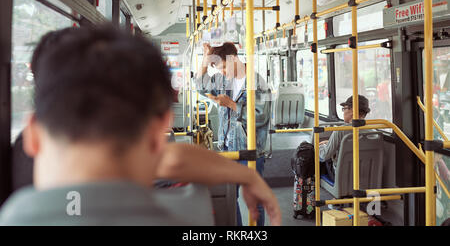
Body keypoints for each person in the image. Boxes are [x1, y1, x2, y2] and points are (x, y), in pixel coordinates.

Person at [0, 26, 281, 226]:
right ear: (158, 134)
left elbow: (173, 160)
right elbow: (173, 160)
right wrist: (248, 177)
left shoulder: (12, 213)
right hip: (234, 145)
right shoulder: (188, 212)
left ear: (33, 135)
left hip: (247, 144)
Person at [196, 42, 271, 226]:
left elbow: (261, 116)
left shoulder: (257, 82)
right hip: (228, 148)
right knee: (230, 197)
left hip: (250, 149)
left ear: (234, 59)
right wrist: (206, 59)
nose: (221, 73)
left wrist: (231, 104)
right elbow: (200, 85)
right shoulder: (223, 81)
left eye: (222, 68)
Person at [317, 95, 372, 183]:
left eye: (344, 109)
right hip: (367, 176)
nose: (343, 112)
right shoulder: (373, 131)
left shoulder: (340, 131)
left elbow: (324, 155)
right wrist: (330, 142)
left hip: (343, 177)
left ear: (352, 110)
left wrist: (320, 146)